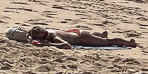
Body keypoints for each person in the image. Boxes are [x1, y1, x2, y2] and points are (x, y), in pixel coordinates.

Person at [8, 25, 137, 48]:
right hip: (73, 32)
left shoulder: (52, 36)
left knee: (106, 42)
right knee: (100, 38)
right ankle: (99, 33)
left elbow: (66, 46)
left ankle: (129, 43)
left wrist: (47, 44)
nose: (46, 37)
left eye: (46, 34)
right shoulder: (37, 34)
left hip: (81, 37)